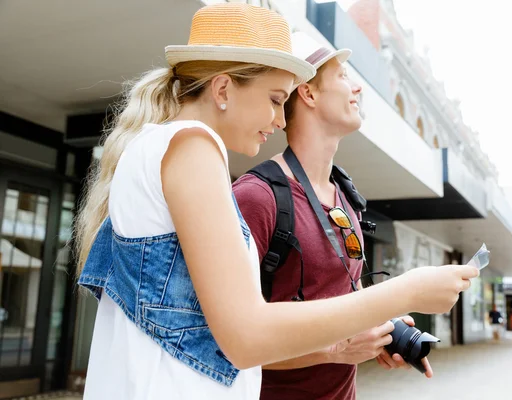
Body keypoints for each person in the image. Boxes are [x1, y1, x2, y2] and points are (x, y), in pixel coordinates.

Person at [74, 4, 479, 400]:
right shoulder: (193, 147)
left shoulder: (161, 147)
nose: (281, 120)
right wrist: (405, 291)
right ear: (223, 89)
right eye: (273, 99)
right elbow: (247, 335)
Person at [232, 32, 427, 400]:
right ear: (308, 93)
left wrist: (379, 330)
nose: (357, 88)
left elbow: (338, 303)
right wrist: (337, 347)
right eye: (342, 76)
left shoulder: (346, 198)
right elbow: (223, 340)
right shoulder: (256, 198)